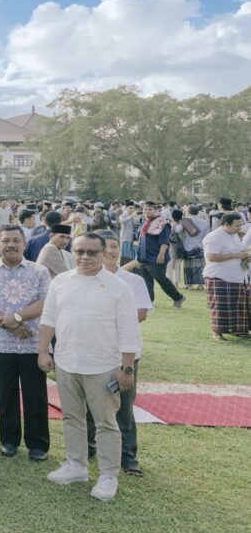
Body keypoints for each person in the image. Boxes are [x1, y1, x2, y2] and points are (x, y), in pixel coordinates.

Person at [38, 233, 141, 502]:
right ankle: (76, 465)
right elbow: (48, 319)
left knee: (106, 422)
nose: (84, 257)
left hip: (103, 367)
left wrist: (127, 369)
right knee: (72, 417)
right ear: (71, 252)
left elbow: (130, 332)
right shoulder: (61, 282)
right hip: (66, 362)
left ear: (105, 253)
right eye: (79, 251)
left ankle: (108, 476)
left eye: (91, 252)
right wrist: (43, 351)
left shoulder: (118, 287)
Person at [0, 225, 52, 460]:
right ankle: (9, 440)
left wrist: (17, 318)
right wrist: (9, 324)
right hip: (2, 343)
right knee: (6, 393)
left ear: (24, 243)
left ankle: (37, 444)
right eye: (5, 240)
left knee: (34, 394)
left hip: (32, 343)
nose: (10, 245)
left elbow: (45, 302)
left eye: (16, 240)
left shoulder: (39, 271)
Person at [88, 230, 152, 477]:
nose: (112, 251)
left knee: (124, 407)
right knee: (90, 404)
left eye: (115, 246)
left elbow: (141, 313)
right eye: (107, 246)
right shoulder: (84, 279)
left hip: (125, 353)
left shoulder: (132, 280)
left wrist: (106, 323)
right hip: (94, 351)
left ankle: (128, 456)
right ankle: (89, 447)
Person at [201, 212, 251, 341]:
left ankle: (238, 330)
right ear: (226, 225)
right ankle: (217, 333)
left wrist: (245, 255)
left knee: (239, 305)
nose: (239, 228)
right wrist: (237, 256)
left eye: (241, 225)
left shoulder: (234, 235)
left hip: (237, 276)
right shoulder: (214, 237)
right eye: (237, 225)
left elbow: (238, 251)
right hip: (219, 276)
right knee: (220, 306)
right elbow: (211, 257)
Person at [136, 202, 186, 307]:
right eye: (145, 209)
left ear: (156, 210)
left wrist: (161, 254)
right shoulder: (145, 222)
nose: (147, 211)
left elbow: (164, 241)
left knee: (161, 279)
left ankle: (178, 297)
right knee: (146, 281)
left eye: (150, 209)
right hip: (143, 257)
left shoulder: (162, 223)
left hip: (156, 257)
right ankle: (148, 301)